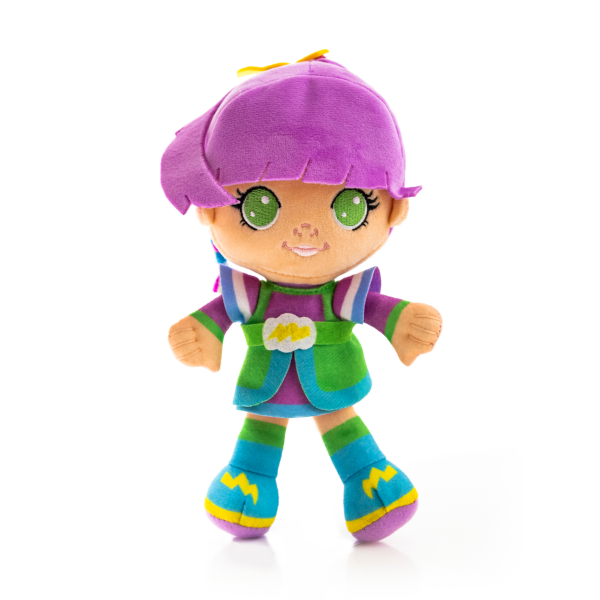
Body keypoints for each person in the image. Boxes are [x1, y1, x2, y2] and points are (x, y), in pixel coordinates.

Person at [161, 51, 442, 542]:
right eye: (259, 206)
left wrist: (404, 323)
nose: (306, 230)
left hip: (331, 378)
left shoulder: (341, 294)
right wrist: (201, 333)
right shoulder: (246, 292)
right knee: (263, 427)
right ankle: (247, 483)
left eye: (351, 206)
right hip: (268, 383)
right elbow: (220, 313)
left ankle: (371, 484)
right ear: (211, 210)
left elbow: (373, 307)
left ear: (394, 210)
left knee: (341, 422)